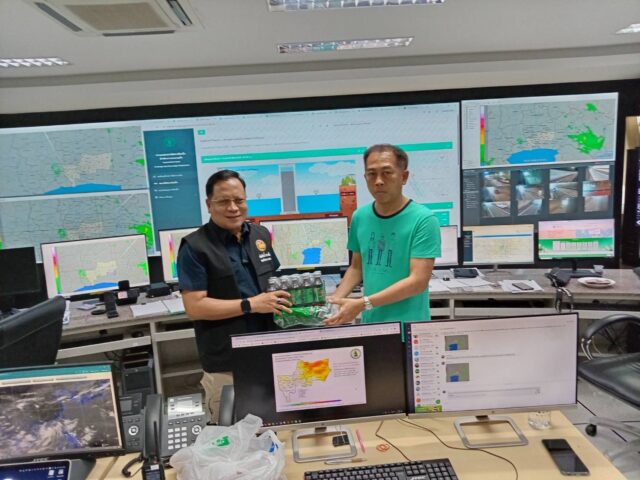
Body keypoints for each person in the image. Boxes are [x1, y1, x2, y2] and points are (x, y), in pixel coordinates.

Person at [177, 169, 291, 422]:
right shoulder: (195, 247)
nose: (233, 208)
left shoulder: (260, 235)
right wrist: (251, 305)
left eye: (239, 200)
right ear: (209, 204)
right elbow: (195, 307)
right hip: (227, 363)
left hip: (270, 353)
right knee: (230, 433)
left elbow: (271, 283)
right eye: (223, 201)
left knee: (277, 426)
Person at [325, 144, 441, 327]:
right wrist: (333, 302)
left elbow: (418, 281)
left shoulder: (424, 220)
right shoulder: (360, 217)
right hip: (371, 324)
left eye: (387, 173)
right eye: (372, 174)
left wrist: (363, 303)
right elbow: (356, 267)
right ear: (365, 178)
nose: (378, 181)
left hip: (409, 326)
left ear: (404, 177)